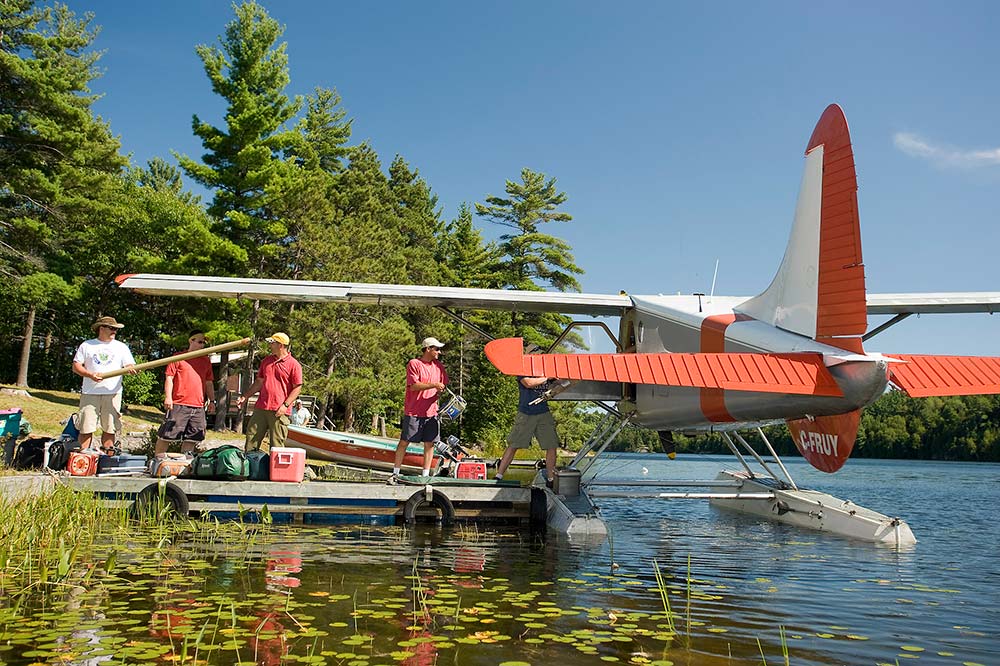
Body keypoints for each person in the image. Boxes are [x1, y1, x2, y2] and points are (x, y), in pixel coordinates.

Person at [71, 315, 137, 454]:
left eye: (116, 329)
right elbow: (76, 366)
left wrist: (131, 368)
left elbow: (129, 364)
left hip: (113, 392)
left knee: (110, 426)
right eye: (111, 328)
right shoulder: (87, 345)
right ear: (101, 328)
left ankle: (108, 457)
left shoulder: (121, 347)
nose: (114, 331)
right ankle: (84, 456)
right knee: (86, 426)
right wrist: (90, 375)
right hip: (90, 392)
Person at [389, 337, 448, 482]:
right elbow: (414, 386)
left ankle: (425, 476)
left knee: (430, 444)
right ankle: (395, 473)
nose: (439, 352)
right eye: (437, 349)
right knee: (404, 441)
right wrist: (434, 384)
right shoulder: (414, 364)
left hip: (432, 412)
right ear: (428, 349)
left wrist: (440, 390)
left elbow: (443, 385)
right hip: (414, 411)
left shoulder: (439, 366)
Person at [236, 333, 303, 453]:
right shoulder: (266, 361)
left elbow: (297, 388)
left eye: (272, 342)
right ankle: (251, 469)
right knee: (251, 439)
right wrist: (245, 396)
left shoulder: (294, 365)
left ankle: (275, 471)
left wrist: (285, 405)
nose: (270, 345)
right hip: (261, 407)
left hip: (279, 411)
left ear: (281, 345)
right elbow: (259, 382)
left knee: (276, 445)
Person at [154, 330, 215, 455]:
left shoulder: (206, 361)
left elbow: (209, 382)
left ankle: (185, 464)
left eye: (203, 343)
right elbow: (169, 378)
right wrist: (168, 397)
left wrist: (212, 401)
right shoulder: (179, 357)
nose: (202, 345)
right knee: (167, 435)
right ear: (191, 341)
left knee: (192, 437)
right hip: (179, 403)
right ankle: (157, 460)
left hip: (198, 405)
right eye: (199, 342)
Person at [494, 375, 560, 486]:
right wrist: (548, 377)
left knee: (551, 445)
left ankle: (551, 479)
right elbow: (528, 383)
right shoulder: (523, 371)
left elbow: (559, 385)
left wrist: (559, 380)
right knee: (514, 444)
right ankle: (499, 476)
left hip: (543, 412)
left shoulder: (544, 371)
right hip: (525, 413)